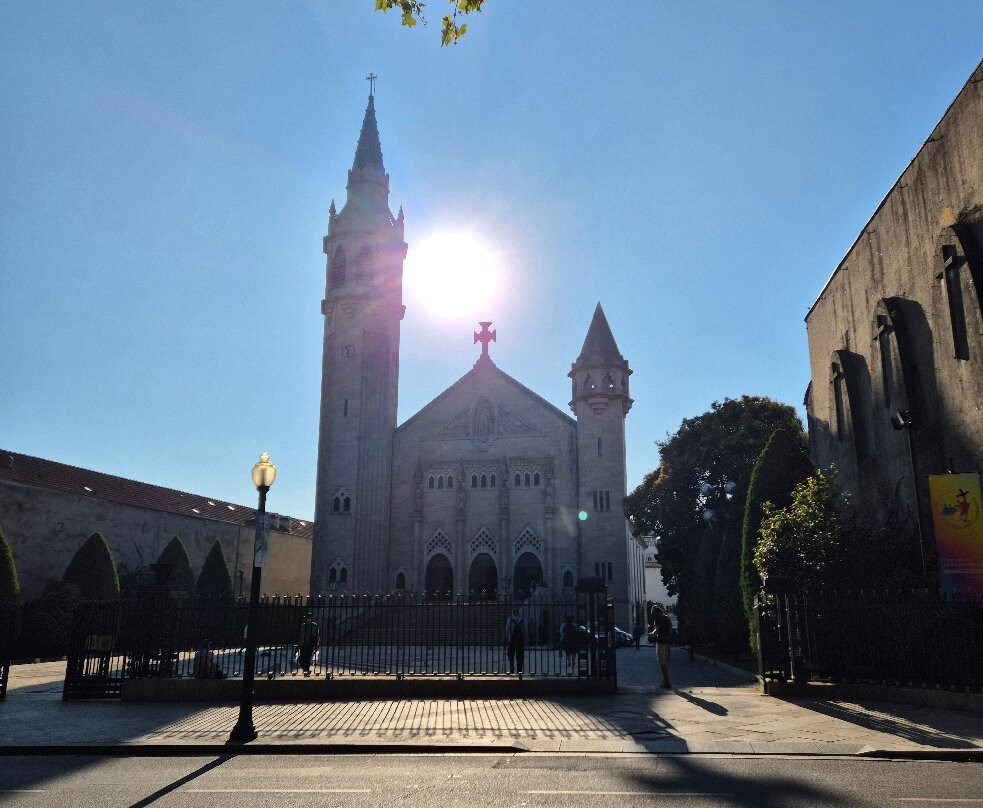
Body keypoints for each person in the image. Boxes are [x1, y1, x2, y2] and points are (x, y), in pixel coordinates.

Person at [648, 603, 673, 688]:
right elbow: (670, 629)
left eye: (652, 613)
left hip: (661, 642)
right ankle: (665, 680)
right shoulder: (666, 618)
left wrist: (651, 635)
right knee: (665, 661)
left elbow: (656, 631)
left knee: (662, 662)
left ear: (655, 612)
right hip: (667, 642)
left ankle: (666, 681)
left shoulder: (658, 619)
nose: (652, 615)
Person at [296, 612, 320, 677]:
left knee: (307, 657)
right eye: (306, 618)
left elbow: (317, 635)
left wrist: (317, 644)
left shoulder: (314, 625)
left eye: (308, 618)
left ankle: (306, 670)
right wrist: (298, 643)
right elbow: (300, 635)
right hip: (302, 644)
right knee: (301, 657)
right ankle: (305, 669)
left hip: (309, 644)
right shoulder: (303, 625)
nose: (307, 620)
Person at [504, 608, 525, 675]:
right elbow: (525, 630)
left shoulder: (510, 619)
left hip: (512, 639)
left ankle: (512, 666)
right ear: (518, 613)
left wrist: (506, 637)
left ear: (513, 613)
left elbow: (507, 629)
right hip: (520, 640)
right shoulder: (522, 619)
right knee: (520, 655)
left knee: (510, 654)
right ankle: (519, 670)